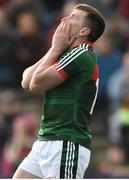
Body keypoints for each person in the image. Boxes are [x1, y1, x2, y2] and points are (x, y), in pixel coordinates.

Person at [13, 3, 105, 179]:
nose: (64, 19)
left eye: (73, 17)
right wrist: (54, 50)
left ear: (84, 31)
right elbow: (26, 80)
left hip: (66, 142)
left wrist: (55, 48)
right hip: (47, 140)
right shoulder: (66, 53)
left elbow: (36, 84)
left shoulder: (81, 54)